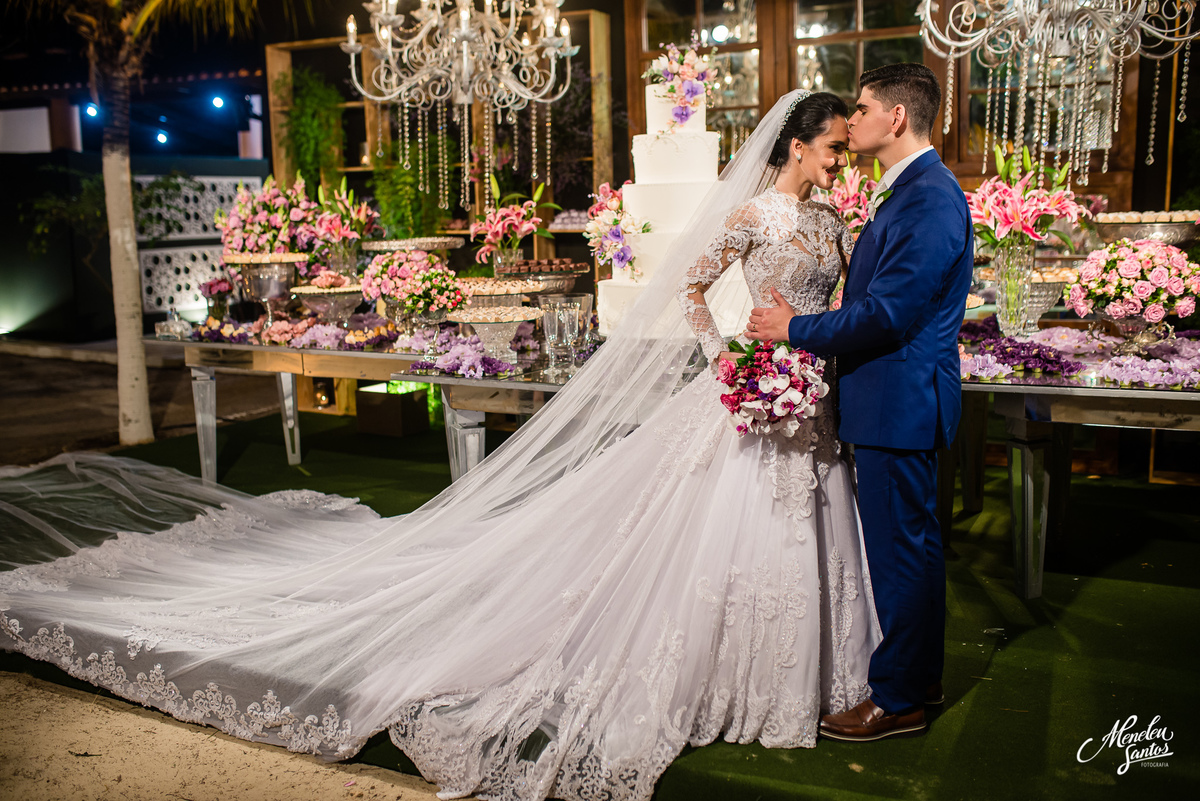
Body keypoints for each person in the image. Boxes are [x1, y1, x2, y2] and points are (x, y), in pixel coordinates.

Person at [0, 90, 876, 801]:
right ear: (795, 145)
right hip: (747, 392)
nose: (840, 160)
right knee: (715, 533)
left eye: (843, 148)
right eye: (832, 146)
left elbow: (834, 307)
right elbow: (692, 287)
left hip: (811, 400)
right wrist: (729, 356)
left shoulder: (835, 224)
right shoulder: (754, 218)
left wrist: (808, 361)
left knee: (809, 528)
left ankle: (811, 677)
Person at [746, 63, 974, 741]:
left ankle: (897, 696)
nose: (855, 118)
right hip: (891, 399)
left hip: (899, 401)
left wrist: (794, 330)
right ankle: (918, 676)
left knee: (903, 552)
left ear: (896, 118)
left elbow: (886, 314)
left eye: (865, 107)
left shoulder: (929, 198)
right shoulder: (906, 193)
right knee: (915, 549)